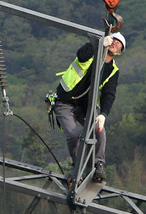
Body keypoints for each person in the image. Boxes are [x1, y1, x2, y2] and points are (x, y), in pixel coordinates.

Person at [51, 32, 125, 183]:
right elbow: (81, 55)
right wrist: (99, 44)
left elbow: (108, 94)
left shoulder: (113, 71)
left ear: (119, 52)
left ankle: (98, 164)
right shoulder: (92, 54)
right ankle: (78, 165)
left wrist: (103, 114)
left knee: (99, 131)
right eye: (113, 40)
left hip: (85, 107)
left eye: (118, 44)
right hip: (65, 102)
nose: (114, 43)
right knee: (73, 135)